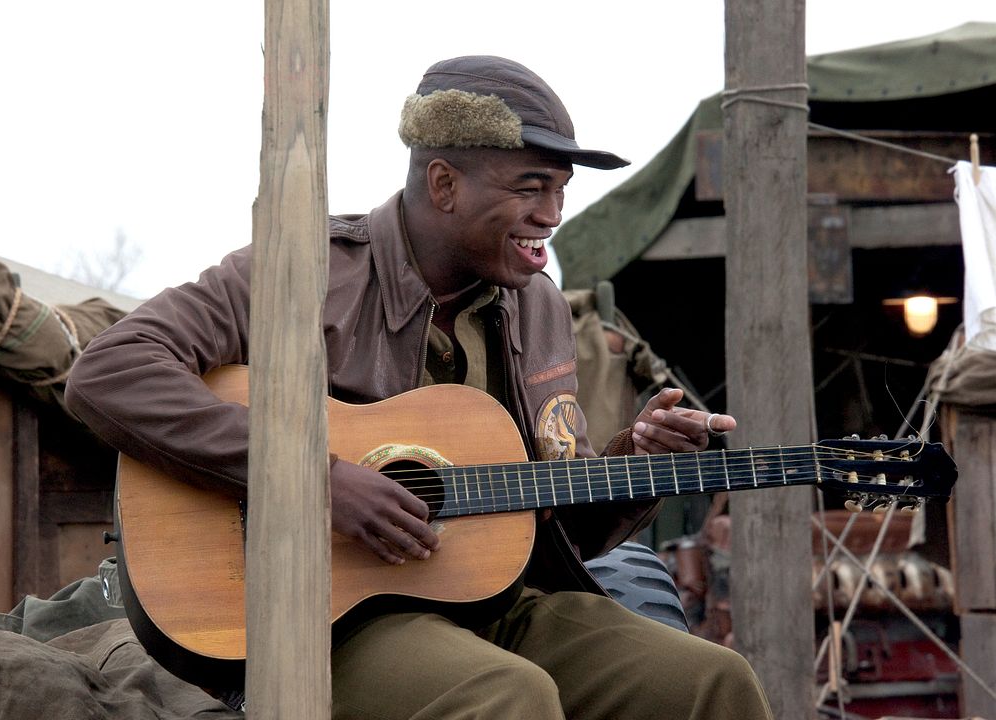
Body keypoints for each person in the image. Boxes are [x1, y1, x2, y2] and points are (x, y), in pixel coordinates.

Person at [65, 55, 772, 720]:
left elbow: (561, 525)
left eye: (560, 191)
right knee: (507, 696)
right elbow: (110, 371)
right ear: (444, 185)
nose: (552, 214)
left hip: (497, 601)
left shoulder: (539, 306)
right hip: (325, 615)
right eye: (531, 188)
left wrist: (637, 463)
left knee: (712, 680)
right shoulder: (303, 270)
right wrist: (315, 479)